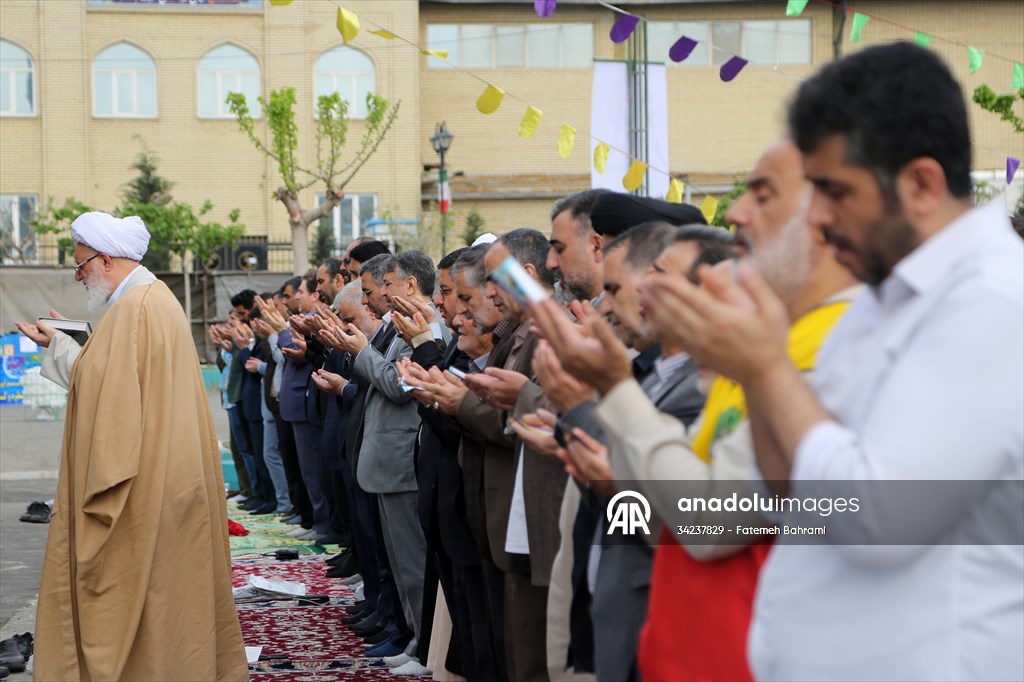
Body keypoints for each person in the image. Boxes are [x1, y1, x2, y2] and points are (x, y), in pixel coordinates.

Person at [638, 43, 1024, 680]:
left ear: (922, 185)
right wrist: (756, 373)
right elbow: (786, 493)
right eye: (814, 189)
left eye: (836, 191)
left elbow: (878, 521)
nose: (817, 217)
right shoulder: (878, 300)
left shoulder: (992, 301)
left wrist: (765, 368)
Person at [16, 211, 246, 681]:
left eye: (81, 266)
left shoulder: (133, 309)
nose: (79, 277)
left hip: (145, 484)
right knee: (168, 595)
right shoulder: (156, 298)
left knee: (140, 592)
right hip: (170, 473)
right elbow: (113, 380)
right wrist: (65, 345)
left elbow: (108, 400)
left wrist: (59, 347)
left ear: (105, 260)